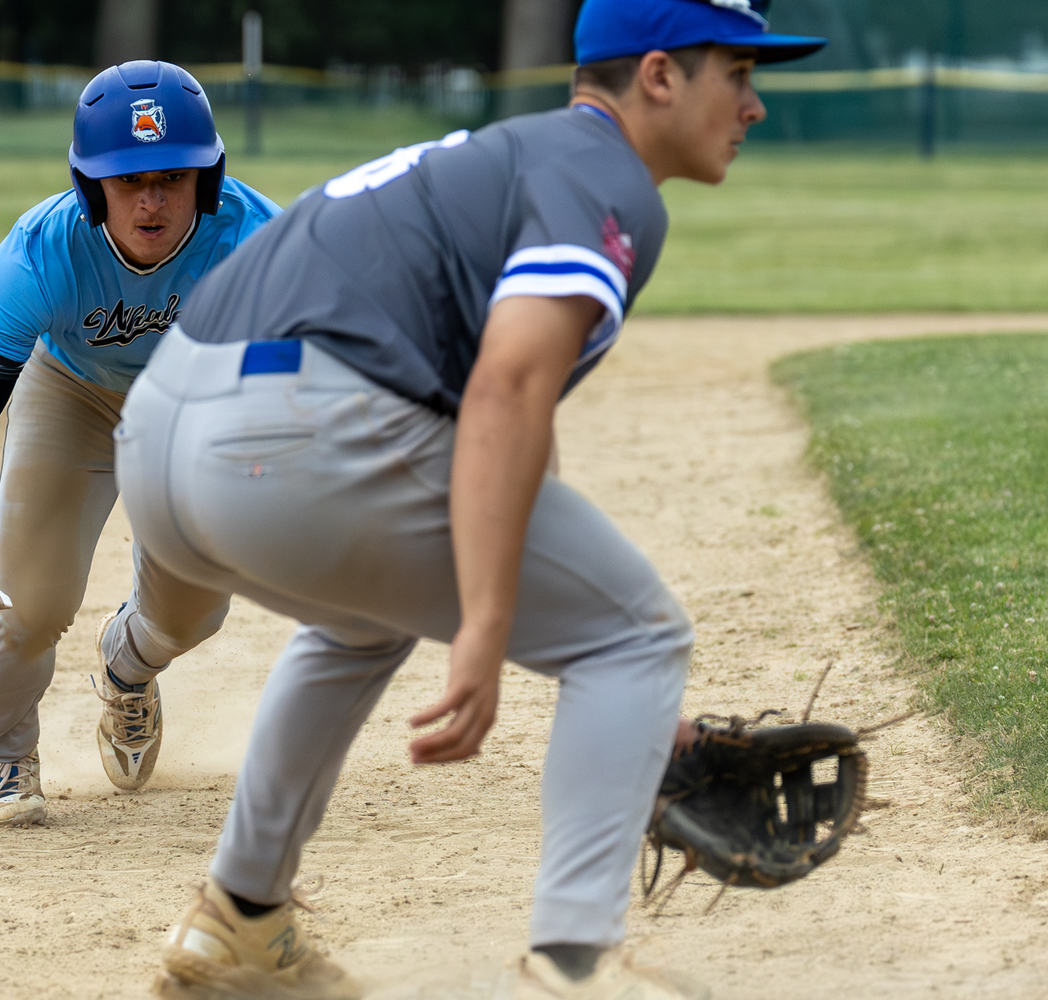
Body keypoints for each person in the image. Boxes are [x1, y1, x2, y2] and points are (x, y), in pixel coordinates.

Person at [114, 0, 825, 996]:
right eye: (738, 74)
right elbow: (506, 392)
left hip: (159, 445)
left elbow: (516, 425)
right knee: (634, 635)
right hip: (294, 444)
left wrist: (601, 683)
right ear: (659, 76)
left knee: (367, 619)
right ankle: (574, 963)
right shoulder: (611, 182)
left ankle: (240, 917)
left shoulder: (503, 155)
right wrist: (488, 623)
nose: (752, 105)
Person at [0, 60, 280, 827]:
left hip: (192, 406)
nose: (151, 200)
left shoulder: (258, 241)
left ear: (206, 182)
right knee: (28, 604)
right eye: (128, 178)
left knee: (194, 613)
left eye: (173, 177)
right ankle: (7, 758)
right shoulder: (42, 252)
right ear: (90, 187)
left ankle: (127, 665)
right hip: (73, 395)